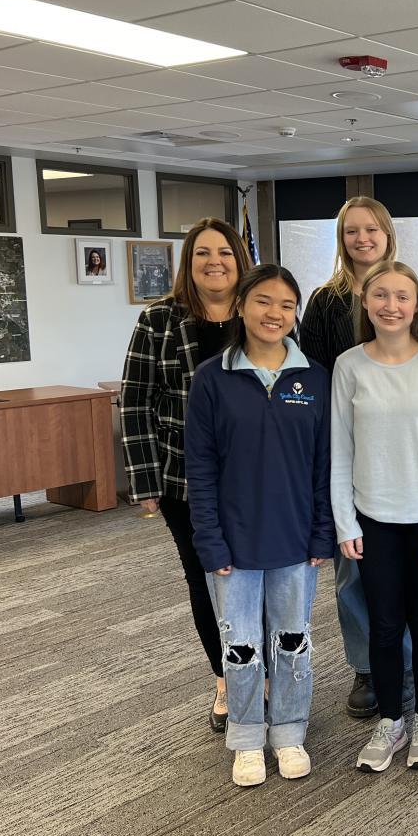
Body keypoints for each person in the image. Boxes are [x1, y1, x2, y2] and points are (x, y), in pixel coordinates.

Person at [185, 263, 334, 788]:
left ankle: (289, 731)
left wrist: (323, 532)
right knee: (241, 647)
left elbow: (325, 465)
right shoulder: (212, 379)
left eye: (287, 305)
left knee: (293, 641)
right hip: (234, 543)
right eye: (264, 301)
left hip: (296, 539)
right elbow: (200, 468)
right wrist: (209, 540)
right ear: (242, 306)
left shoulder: (315, 378)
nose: (275, 313)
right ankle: (246, 736)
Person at [300, 195, 418, 719]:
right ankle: (367, 666)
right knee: (354, 575)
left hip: (411, 468)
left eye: (372, 229)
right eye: (351, 231)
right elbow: (316, 379)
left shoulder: (417, 291)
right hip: (354, 457)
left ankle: (404, 667)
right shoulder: (326, 302)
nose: (362, 239)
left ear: (388, 235)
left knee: (413, 592)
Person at [331, 260, 418, 773]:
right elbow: (340, 450)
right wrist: (345, 522)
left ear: (417, 306)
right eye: (381, 295)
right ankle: (391, 721)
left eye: (402, 296)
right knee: (384, 625)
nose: (391, 305)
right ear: (366, 303)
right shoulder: (349, 366)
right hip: (372, 519)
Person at [121, 217, 251, 732]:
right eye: (202, 253)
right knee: (207, 579)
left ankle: (260, 675)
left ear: (240, 259)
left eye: (224, 252)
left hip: (256, 481)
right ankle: (225, 679)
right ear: (188, 263)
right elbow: (135, 401)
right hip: (185, 480)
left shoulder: (260, 311)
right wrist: (145, 481)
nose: (214, 262)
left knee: (258, 577)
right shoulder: (159, 320)